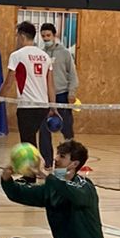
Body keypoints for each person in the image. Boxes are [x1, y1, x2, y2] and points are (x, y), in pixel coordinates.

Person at [0, 140, 107, 238]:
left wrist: (45, 175)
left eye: (62, 156)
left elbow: (74, 194)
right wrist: (7, 179)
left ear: (74, 163)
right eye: (57, 154)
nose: (56, 159)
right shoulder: (51, 188)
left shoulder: (85, 187)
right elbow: (20, 194)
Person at [0, 20, 55, 158]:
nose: (17, 39)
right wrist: (53, 106)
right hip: (43, 107)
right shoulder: (45, 56)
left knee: (28, 144)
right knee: (33, 142)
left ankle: (33, 170)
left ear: (22, 36)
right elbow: (50, 85)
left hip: (27, 107)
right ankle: (38, 167)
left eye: (17, 36)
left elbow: (8, 83)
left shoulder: (17, 55)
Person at [38, 22, 78, 158]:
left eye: (48, 35)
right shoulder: (41, 54)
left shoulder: (65, 53)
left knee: (67, 129)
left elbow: (73, 75)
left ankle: (70, 157)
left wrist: (71, 93)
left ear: (54, 35)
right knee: (44, 130)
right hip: (45, 97)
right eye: (43, 36)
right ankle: (48, 161)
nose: (46, 38)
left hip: (62, 95)